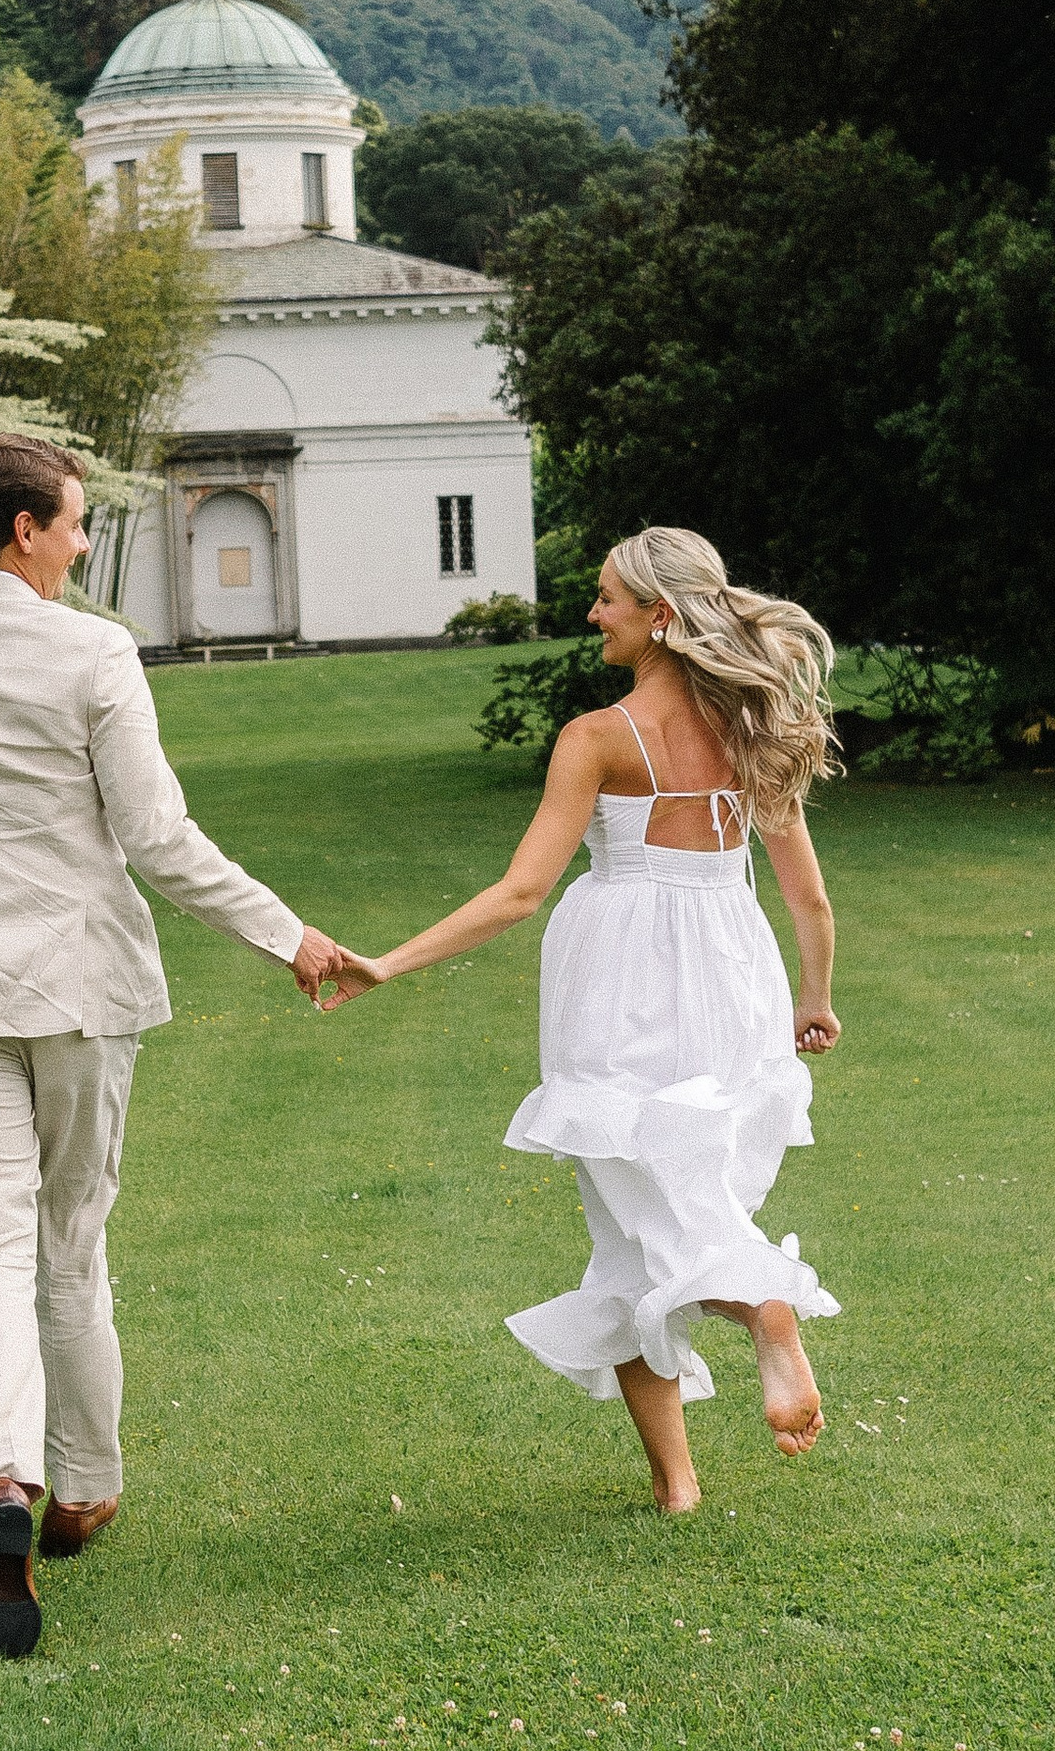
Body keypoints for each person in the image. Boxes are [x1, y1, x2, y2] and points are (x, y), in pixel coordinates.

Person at [0, 432, 349, 1655]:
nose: (86, 539)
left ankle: (3, 1479)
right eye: (76, 521)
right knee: (71, 1233)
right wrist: (291, 937)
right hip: (78, 989)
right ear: (23, 532)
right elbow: (156, 839)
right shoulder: (94, 651)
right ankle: (86, 1484)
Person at [319, 527, 841, 1505]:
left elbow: (521, 891)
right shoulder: (752, 730)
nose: (591, 612)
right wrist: (811, 1000)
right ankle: (675, 1483)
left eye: (606, 597)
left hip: (624, 983)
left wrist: (389, 962)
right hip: (733, 974)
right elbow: (808, 899)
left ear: (659, 615)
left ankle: (767, 1307)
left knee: (647, 1215)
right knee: (641, 1229)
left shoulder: (599, 738)